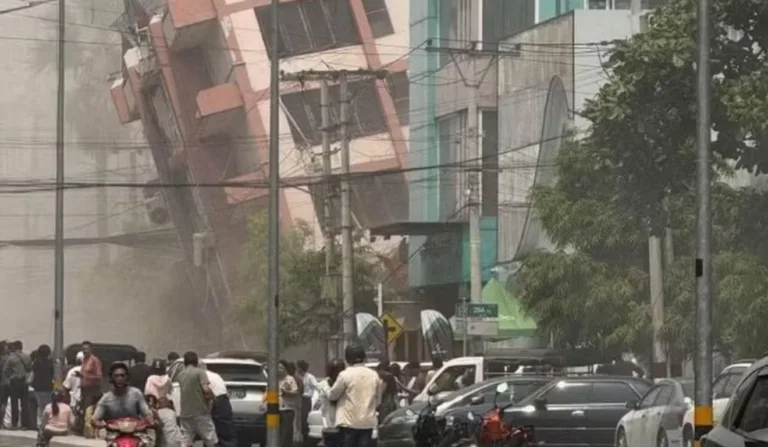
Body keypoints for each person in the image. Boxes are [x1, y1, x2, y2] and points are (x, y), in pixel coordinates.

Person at [327, 344, 381, 447]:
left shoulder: (345, 374)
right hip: (367, 423)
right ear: (364, 357)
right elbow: (378, 400)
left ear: (347, 358)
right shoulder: (374, 375)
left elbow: (333, 395)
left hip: (348, 423)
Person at [91, 362, 155, 447]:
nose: (119, 378)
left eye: (122, 375)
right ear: (111, 379)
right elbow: (95, 419)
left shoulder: (136, 394)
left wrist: (151, 422)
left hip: (136, 434)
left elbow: (146, 413)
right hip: (114, 436)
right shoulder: (106, 399)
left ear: (127, 377)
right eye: (116, 376)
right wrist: (103, 425)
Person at [176, 352, 217, 447]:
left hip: (185, 413)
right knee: (210, 438)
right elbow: (206, 389)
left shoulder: (180, 375)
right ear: (196, 361)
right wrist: (213, 397)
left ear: (185, 362)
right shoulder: (200, 372)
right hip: (200, 412)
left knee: (186, 440)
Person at [203, 364, 236, 447]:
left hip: (215, 402)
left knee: (211, 435)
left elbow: (209, 396)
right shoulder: (215, 375)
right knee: (226, 434)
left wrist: (207, 414)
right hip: (224, 401)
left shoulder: (202, 376)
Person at [316, 358, 345, 447]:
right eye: (333, 371)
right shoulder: (323, 384)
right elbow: (330, 397)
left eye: (338, 371)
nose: (335, 374)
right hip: (328, 425)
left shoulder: (345, 384)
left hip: (343, 424)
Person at [4, 340, 32, 430]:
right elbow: (30, 369)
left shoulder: (11, 358)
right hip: (24, 381)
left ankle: (14, 424)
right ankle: (25, 425)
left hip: (15, 382)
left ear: (14, 347)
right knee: (24, 404)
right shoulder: (27, 357)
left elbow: (6, 371)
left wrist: (10, 378)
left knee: (14, 404)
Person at [278, 360, 301, 446]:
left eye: (281, 367)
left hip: (287, 410)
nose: (279, 369)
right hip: (275, 410)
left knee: (286, 433)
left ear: (285, 369)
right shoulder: (273, 379)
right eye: (277, 367)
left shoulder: (290, 379)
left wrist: (286, 393)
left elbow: (296, 393)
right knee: (275, 432)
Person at [32, 345, 55, 427]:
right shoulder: (51, 363)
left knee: (40, 406)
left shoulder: (36, 362)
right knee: (48, 406)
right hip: (47, 387)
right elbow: (54, 376)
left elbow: (33, 374)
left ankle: (39, 423)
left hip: (37, 387)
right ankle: (47, 422)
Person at [296, 360, 316, 446]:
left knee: (305, 419)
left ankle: (306, 439)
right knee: (298, 419)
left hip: (306, 400)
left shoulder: (310, 377)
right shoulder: (298, 377)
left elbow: (316, 386)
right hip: (299, 399)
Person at [80, 341, 103, 413]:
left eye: (86, 349)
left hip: (92, 391)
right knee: (84, 411)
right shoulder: (84, 359)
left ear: (91, 349)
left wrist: (86, 376)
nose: (84, 351)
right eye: (83, 349)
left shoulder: (94, 360)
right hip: (84, 390)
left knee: (88, 412)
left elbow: (99, 376)